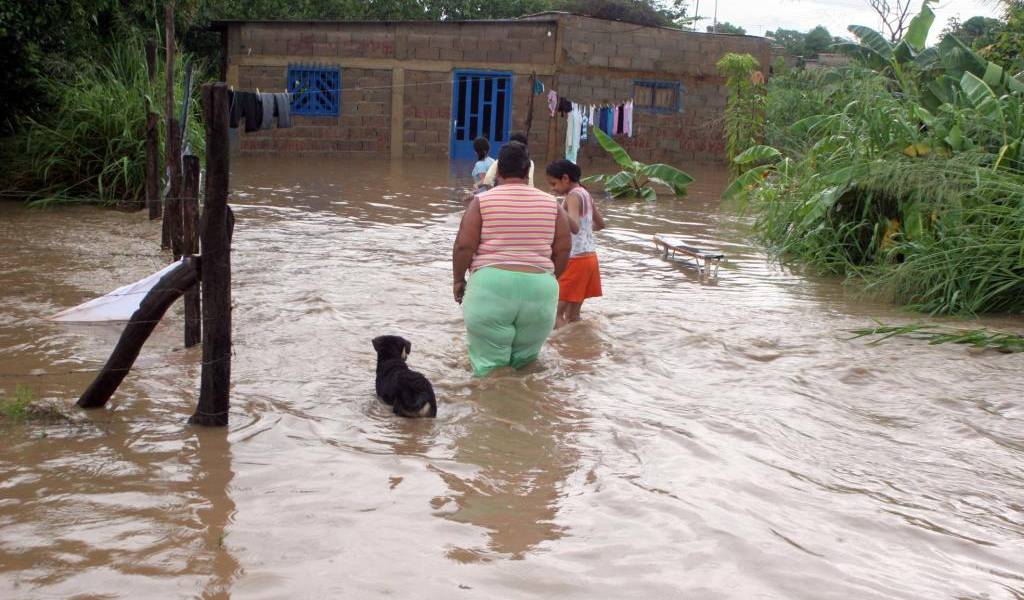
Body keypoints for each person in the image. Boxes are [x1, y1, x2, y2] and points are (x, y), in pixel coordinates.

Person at [453, 142, 572, 376]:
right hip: (540, 289)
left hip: (491, 287)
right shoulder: (553, 205)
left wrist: (458, 280)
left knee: (489, 369)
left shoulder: (482, 202)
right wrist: (548, 278)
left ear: (498, 171)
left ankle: (494, 398)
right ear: (528, 171)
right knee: (527, 366)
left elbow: (464, 246)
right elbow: (564, 249)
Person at [545, 159, 605, 328]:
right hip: (590, 259)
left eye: (554, 183)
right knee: (573, 316)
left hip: (575, 260)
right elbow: (600, 224)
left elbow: (575, 226)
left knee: (555, 315)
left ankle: (560, 344)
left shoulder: (572, 196)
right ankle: (578, 342)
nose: (552, 189)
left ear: (565, 178)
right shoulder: (585, 194)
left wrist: (556, 208)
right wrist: (584, 232)